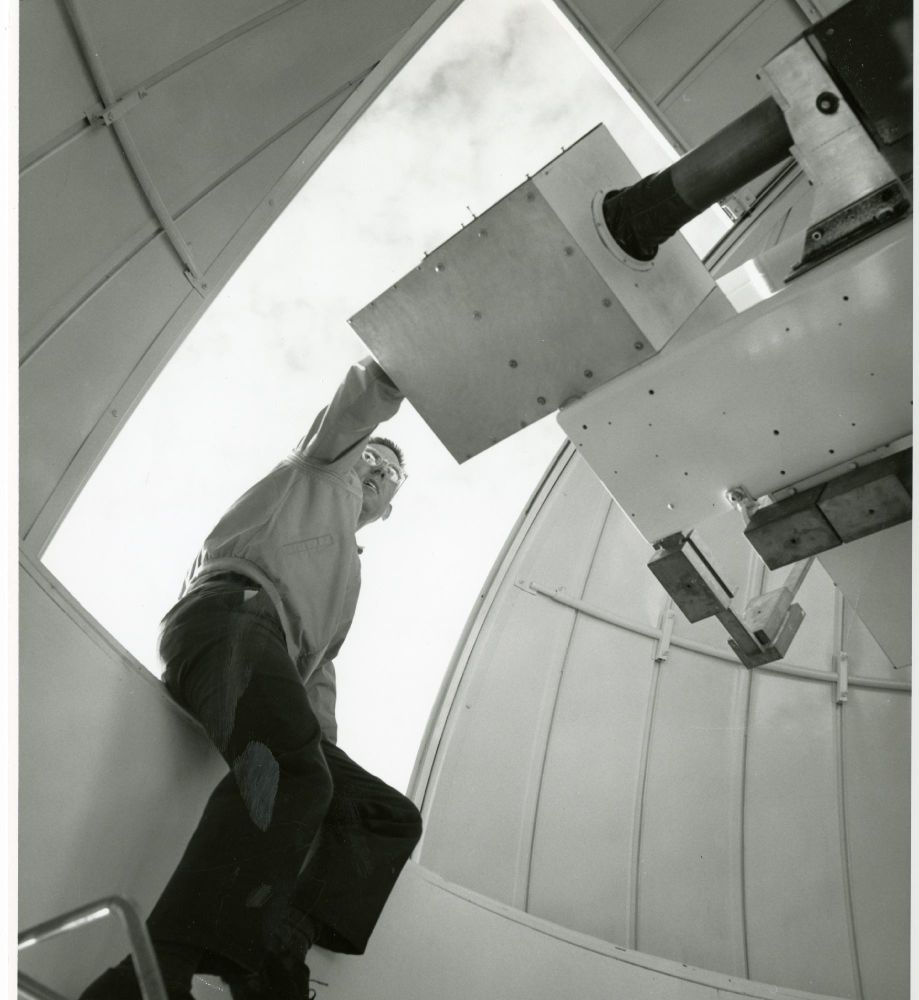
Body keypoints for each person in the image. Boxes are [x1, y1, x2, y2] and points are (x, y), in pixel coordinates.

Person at [81, 357, 423, 1000]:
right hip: (228, 618)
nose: (379, 470)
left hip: (271, 664)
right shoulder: (318, 472)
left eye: (392, 474)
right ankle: (153, 975)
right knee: (293, 775)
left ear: (390, 509)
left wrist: (321, 759)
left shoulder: (348, 581)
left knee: (384, 815)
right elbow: (357, 402)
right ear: (348, 451)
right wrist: (404, 363)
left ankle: (275, 957)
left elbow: (318, 678)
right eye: (372, 457)